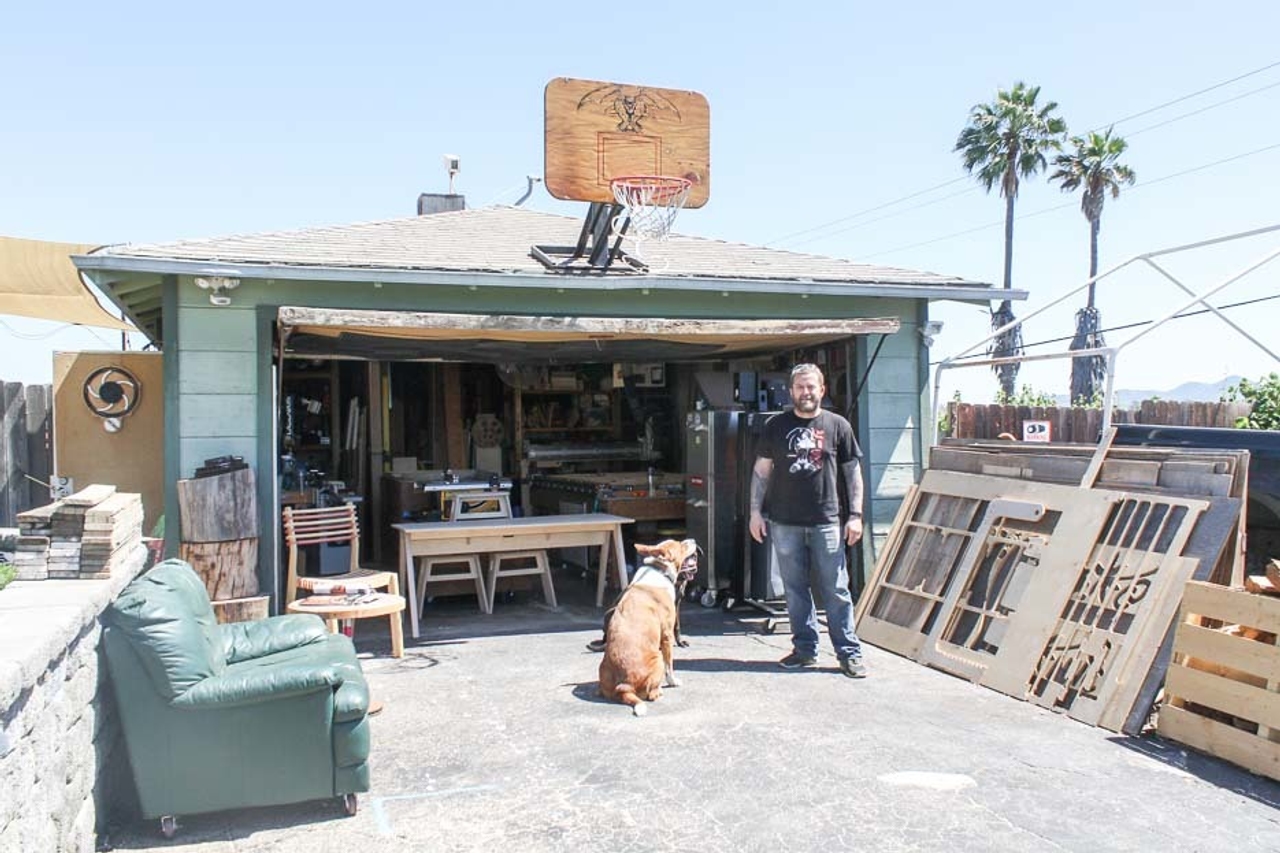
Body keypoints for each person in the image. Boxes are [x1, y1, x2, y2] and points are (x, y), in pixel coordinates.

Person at [748, 363, 868, 678]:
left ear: (822, 390)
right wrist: (755, 512)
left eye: (812, 386)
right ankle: (805, 650)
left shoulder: (838, 425)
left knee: (836, 589)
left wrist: (855, 516)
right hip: (784, 522)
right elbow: (761, 471)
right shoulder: (775, 426)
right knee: (794, 590)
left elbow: (853, 473)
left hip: (827, 522)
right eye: (800, 387)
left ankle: (849, 653)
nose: (806, 392)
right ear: (791, 392)